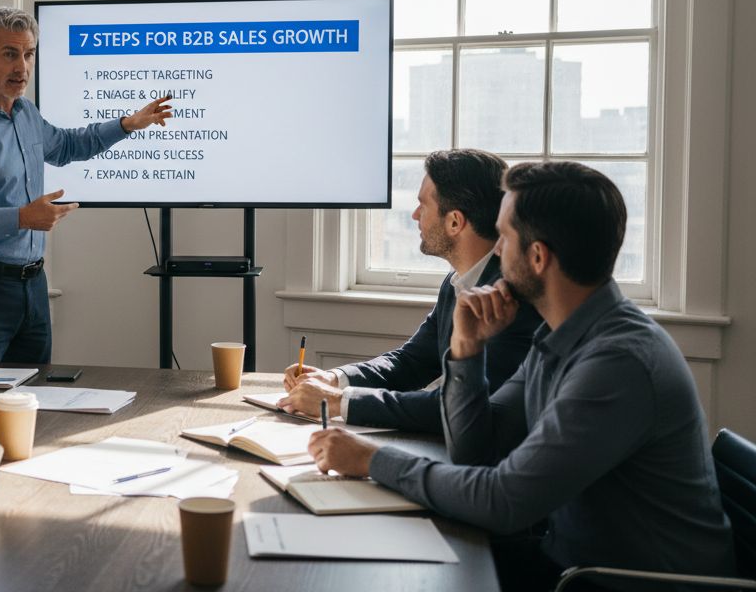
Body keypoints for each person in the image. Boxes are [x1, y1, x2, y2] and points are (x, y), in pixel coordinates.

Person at [308, 161, 735, 589]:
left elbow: (502, 501)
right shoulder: (561, 334)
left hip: (618, 582)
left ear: (537, 257)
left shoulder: (618, 363)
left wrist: (371, 459)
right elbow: (476, 449)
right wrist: (466, 351)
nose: (495, 251)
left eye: (505, 237)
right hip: (570, 562)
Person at [0, 6, 174, 363]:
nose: (21, 67)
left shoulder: (25, 113)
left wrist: (127, 124)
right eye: (9, 54)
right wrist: (22, 218)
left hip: (32, 287)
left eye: (28, 54)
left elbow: (68, 146)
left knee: (35, 402)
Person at [279, 149, 539, 432]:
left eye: (423, 205)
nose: (415, 215)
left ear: (455, 222)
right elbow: (411, 362)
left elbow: (456, 407)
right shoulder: (458, 281)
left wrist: (339, 401)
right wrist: (334, 379)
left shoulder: (510, 298)